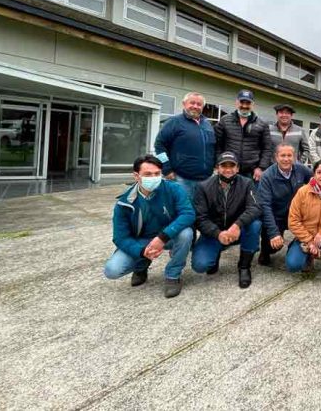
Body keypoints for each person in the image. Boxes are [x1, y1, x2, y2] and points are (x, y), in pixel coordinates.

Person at [104, 154, 195, 298]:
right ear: (136, 176)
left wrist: (162, 237)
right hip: (143, 241)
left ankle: (173, 275)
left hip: (169, 236)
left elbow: (188, 214)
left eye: (157, 174)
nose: (153, 178)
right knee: (112, 270)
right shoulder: (124, 202)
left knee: (186, 233)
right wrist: (141, 251)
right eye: (148, 174)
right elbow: (120, 238)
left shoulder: (173, 189)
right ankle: (141, 266)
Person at [191, 152, 262, 288]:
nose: (228, 169)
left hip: (237, 230)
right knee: (200, 266)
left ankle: (244, 267)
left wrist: (237, 225)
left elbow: (255, 208)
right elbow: (200, 218)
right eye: (224, 166)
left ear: (238, 168)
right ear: (217, 168)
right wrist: (218, 234)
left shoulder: (247, 183)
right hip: (213, 233)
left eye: (232, 166)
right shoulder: (203, 187)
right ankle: (216, 252)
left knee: (255, 224)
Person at [256, 143, 313, 266]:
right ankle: (265, 251)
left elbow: (316, 181)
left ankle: (298, 247)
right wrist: (273, 233)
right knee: (273, 247)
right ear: (276, 157)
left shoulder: (301, 169)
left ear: (294, 157)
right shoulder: (267, 176)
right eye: (282, 155)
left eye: (289, 155)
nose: (286, 159)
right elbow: (265, 206)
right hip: (277, 216)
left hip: (297, 215)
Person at [154, 91, 215, 200]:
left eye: (199, 104)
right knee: (184, 210)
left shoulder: (207, 124)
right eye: (192, 103)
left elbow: (211, 147)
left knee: (202, 211)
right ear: (184, 104)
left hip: (206, 179)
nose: (195, 106)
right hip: (182, 179)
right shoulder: (174, 122)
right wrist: (166, 169)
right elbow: (159, 145)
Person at [214, 89, 272, 181]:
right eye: (242, 102)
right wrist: (218, 164)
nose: (244, 106)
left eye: (248, 103)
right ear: (237, 102)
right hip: (228, 169)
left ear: (253, 104)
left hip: (251, 173)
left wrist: (261, 167)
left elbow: (267, 148)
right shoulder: (225, 120)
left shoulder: (262, 124)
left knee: (250, 195)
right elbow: (217, 145)